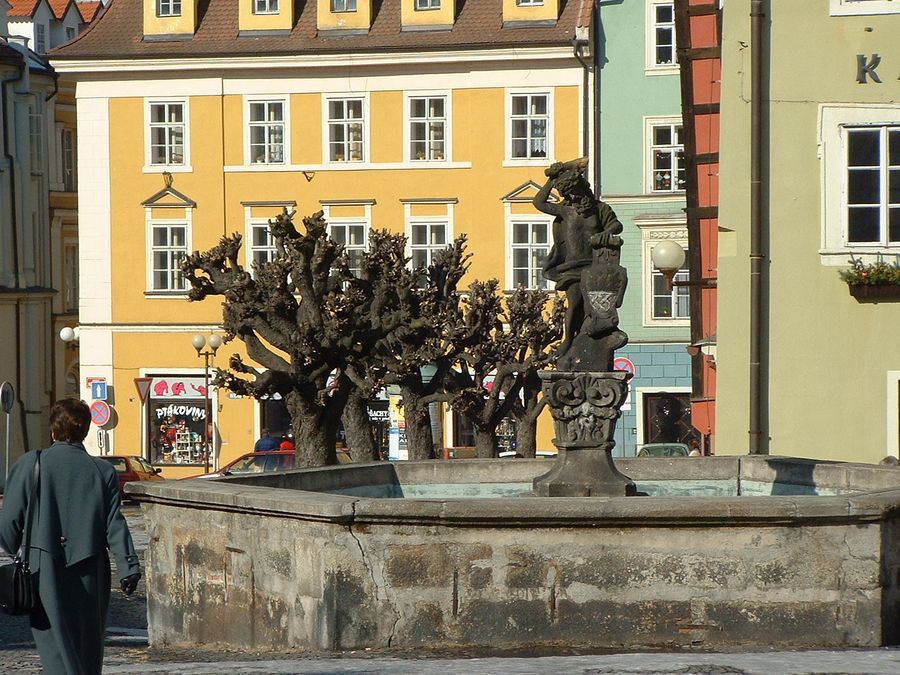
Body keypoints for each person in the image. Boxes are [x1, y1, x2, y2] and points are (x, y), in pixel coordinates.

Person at [0, 398, 141, 675]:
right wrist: (128, 566)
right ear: (86, 431)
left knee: (54, 645)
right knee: (87, 646)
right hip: (90, 567)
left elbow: (8, 524)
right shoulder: (103, 471)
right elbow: (114, 523)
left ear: (53, 431)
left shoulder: (31, 464)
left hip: (43, 568)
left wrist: (21, 549)